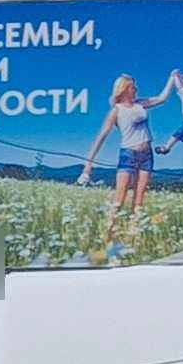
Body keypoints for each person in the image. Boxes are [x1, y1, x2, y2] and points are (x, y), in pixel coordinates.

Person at [74, 72, 157, 262]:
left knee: (139, 200)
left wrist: (173, 79)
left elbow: (162, 98)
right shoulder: (116, 110)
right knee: (119, 199)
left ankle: (134, 239)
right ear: (125, 89)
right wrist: (89, 164)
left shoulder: (141, 104)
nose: (136, 89)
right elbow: (101, 136)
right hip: (128, 154)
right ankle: (108, 239)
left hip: (147, 155)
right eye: (133, 86)